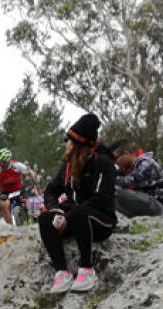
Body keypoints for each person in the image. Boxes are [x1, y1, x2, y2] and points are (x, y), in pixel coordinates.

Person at [38, 114, 117, 294]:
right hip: (74, 217)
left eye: (69, 140)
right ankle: (62, 272)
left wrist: (70, 215)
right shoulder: (67, 166)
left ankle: (87, 269)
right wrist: (57, 211)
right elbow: (51, 191)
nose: (65, 143)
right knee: (45, 219)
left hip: (100, 220)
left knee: (79, 212)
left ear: (78, 144)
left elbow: (102, 198)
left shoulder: (103, 163)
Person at [110, 142, 163, 216]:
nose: (115, 162)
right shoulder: (127, 169)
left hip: (156, 204)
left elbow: (130, 181)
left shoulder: (146, 162)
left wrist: (110, 177)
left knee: (116, 192)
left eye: (115, 158)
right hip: (143, 200)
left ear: (126, 153)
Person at [0, 148, 39, 224]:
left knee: (30, 203)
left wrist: (34, 181)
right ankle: (10, 227)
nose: (1, 164)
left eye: (3, 162)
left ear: (8, 160)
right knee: (3, 205)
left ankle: (35, 219)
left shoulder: (17, 165)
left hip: (19, 189)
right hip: (6, 192)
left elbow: (31, 173)